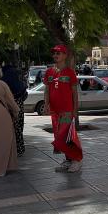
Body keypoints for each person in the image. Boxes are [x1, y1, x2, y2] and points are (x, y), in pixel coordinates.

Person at [43, 44, 83, 172]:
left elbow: (74, 93)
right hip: (54, 111)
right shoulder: (49, 72)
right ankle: (68, 161)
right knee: (59, 138)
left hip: (67, 111)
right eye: (54, 53)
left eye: (58, 53)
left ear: (65, 55)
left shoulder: (70, 73)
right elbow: (47, 90)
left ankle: (76, 160)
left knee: (67, 136)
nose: (55, 55)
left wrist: (75, 110)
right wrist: (46, 104)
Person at [1, 65, 28, 156]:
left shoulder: (2, 83)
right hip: (19, 109)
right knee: (18, 129)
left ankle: (10, 150)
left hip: (7, 109)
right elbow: (24, 95)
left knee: (8, 130)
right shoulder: (20, 84)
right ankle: (19, 149)